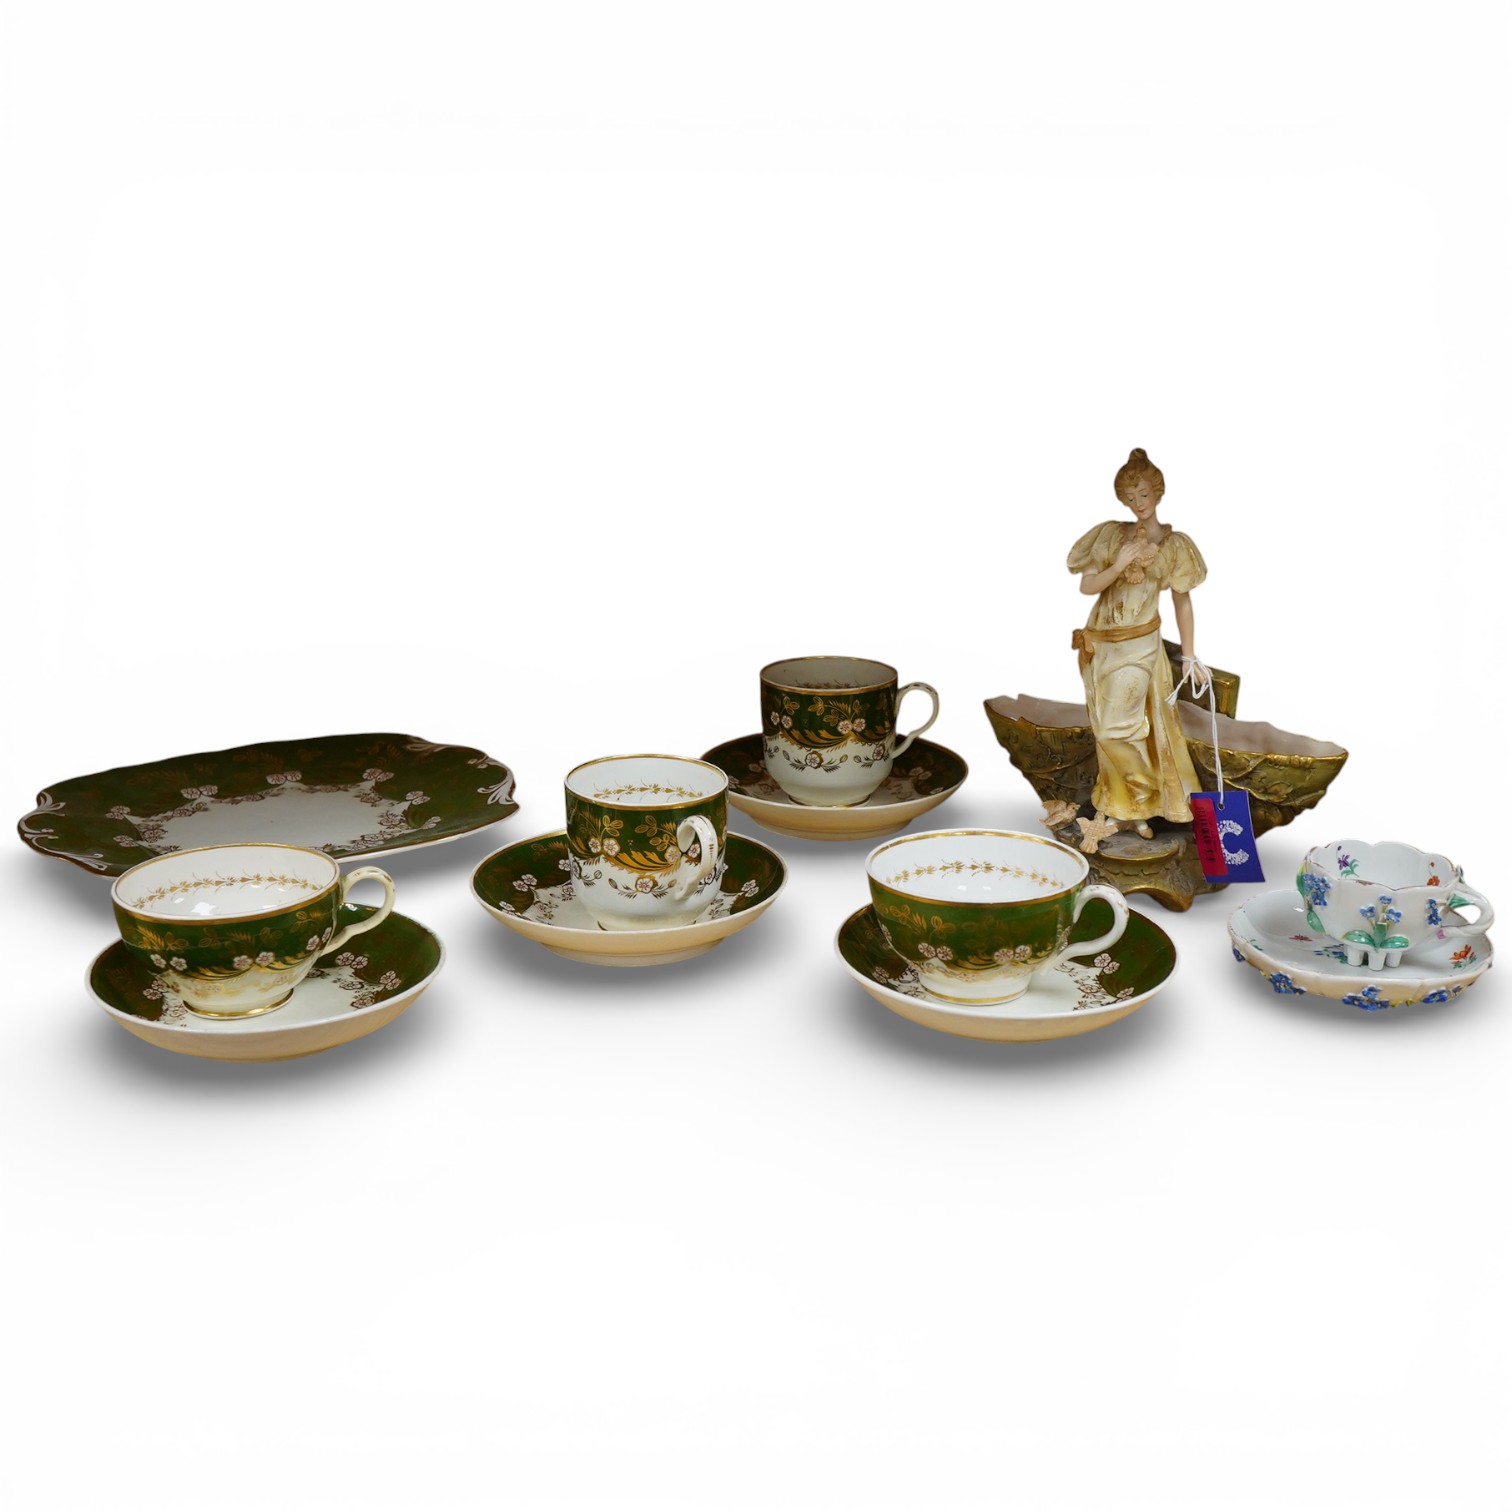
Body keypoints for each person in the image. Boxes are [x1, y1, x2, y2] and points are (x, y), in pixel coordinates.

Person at [1067, 448, 1208, 837]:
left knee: (1117, 728)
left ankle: (1146, 792)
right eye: (1130, 497)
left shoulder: (1174, 545)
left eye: (1144, 495)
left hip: (1139, 646)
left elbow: (1182, 602)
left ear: (1158, 493)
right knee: (1106, 728)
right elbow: (1087, 586)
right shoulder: (1111, 535)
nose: (1138, 503)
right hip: (1099, 645)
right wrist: (1117, 564)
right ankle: (1123, 808)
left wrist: (1190, 655)